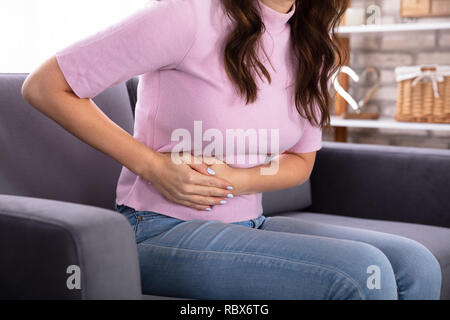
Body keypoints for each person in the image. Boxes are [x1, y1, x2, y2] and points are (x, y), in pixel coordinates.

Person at [22, 0, 442, 299]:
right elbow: (44, 86)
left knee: (415, 264)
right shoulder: (186, 15)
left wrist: (238, 179)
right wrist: (151, 166)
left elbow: (301, 161)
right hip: (155, 228)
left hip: (249, 224)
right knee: (355, 275)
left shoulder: (313, 45)